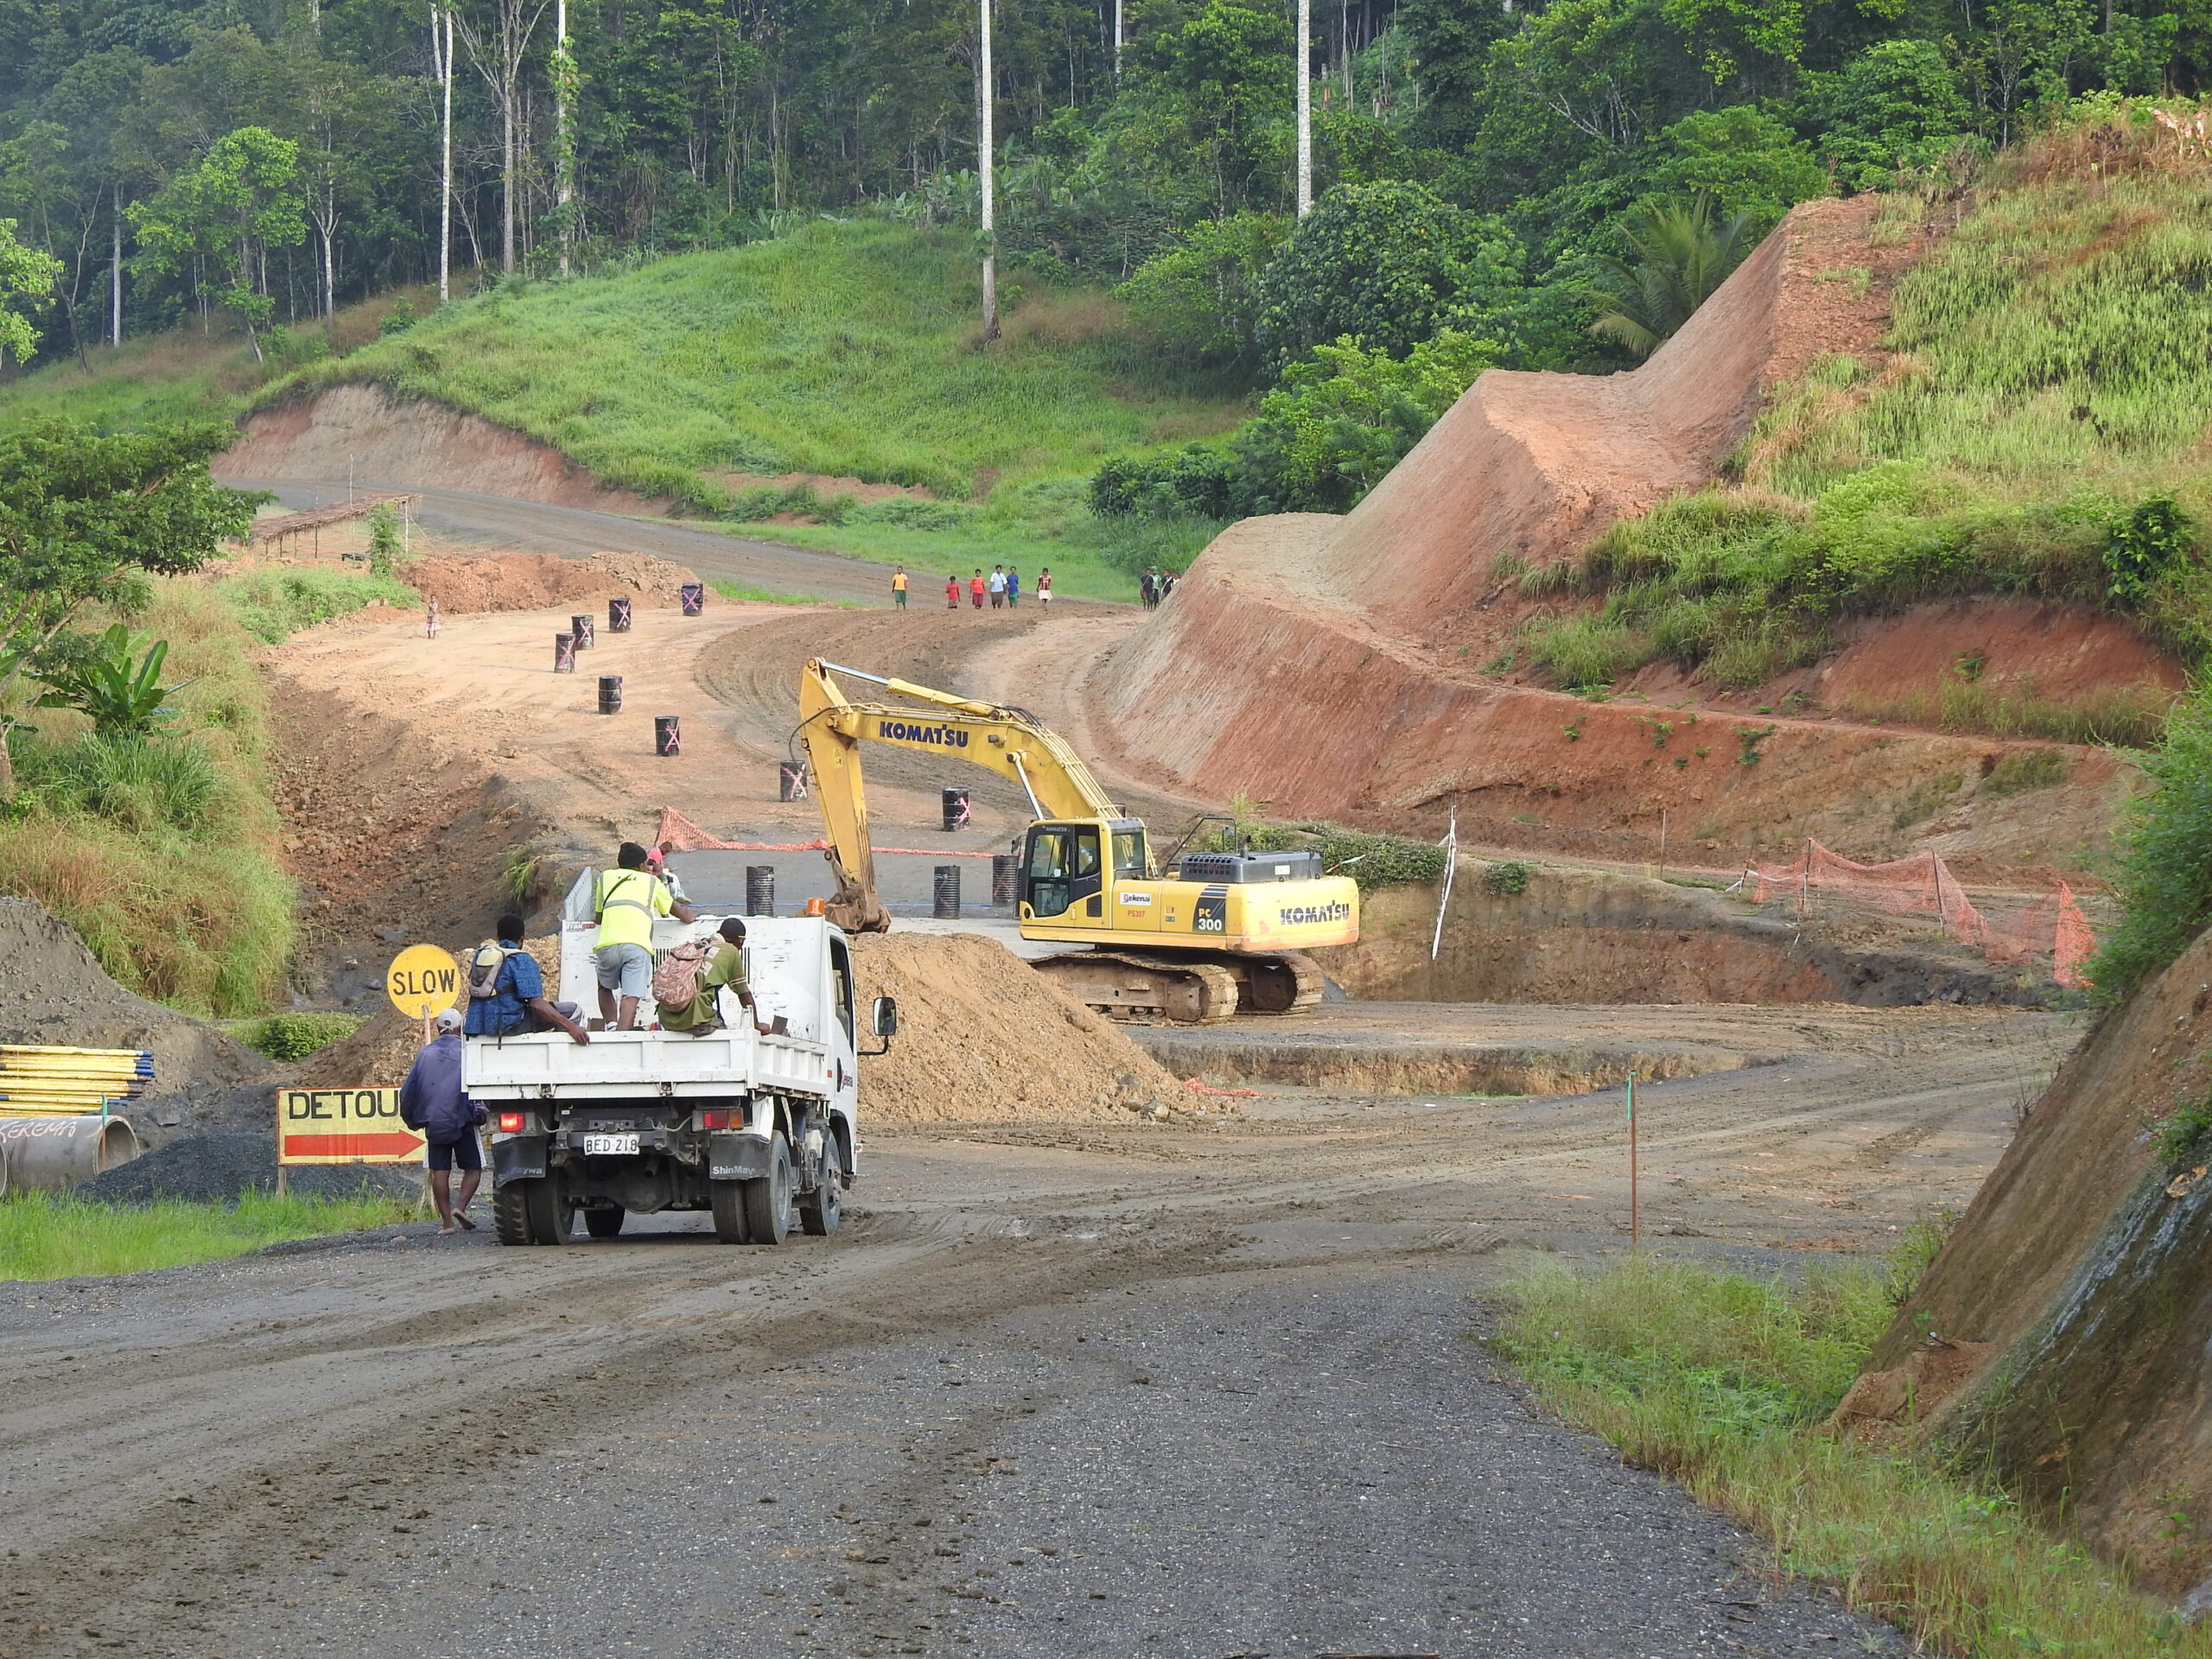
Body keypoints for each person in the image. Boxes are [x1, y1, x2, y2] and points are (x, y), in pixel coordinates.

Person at [594, 842, 696, 1030]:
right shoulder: (651, 882)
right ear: (641, 865)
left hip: (607, 944)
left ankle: (610, 1025)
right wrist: (689, 916)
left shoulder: (605, 877)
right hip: (636, 945)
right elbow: (673, 909)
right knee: (630, 996)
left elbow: (598, 917)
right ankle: (622, 1037)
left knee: (604, 987)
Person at [400, 1008, 486, 1235]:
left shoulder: (424, 1054)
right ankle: (461, 1207)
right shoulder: (467, 1052)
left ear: (438, 1030)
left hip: (433, 1122)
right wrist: (482, 1113)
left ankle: (447, 1224)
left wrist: (411, 1119)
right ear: (460, 1028)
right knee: (474, 1169)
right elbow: (479, 1085)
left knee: (440, 1172)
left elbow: (408, 1091)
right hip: (461, 1121)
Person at [465, 914, 590, 1042]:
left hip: (476, 1025)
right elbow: (537, 1004)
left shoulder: (481, 955)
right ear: (522, 939)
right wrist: (571, 1027)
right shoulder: (520, 959)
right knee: (573, 1010)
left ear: (498, 937)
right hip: (507, 1026)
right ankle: (554, 1050)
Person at [658, 918, 774, 1035]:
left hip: (667, 1019)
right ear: (740, 941)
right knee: (729, 1045)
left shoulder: (699, 945)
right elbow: (743, 993)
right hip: (695, 1017)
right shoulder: (731, 951)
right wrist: (756, 1024)